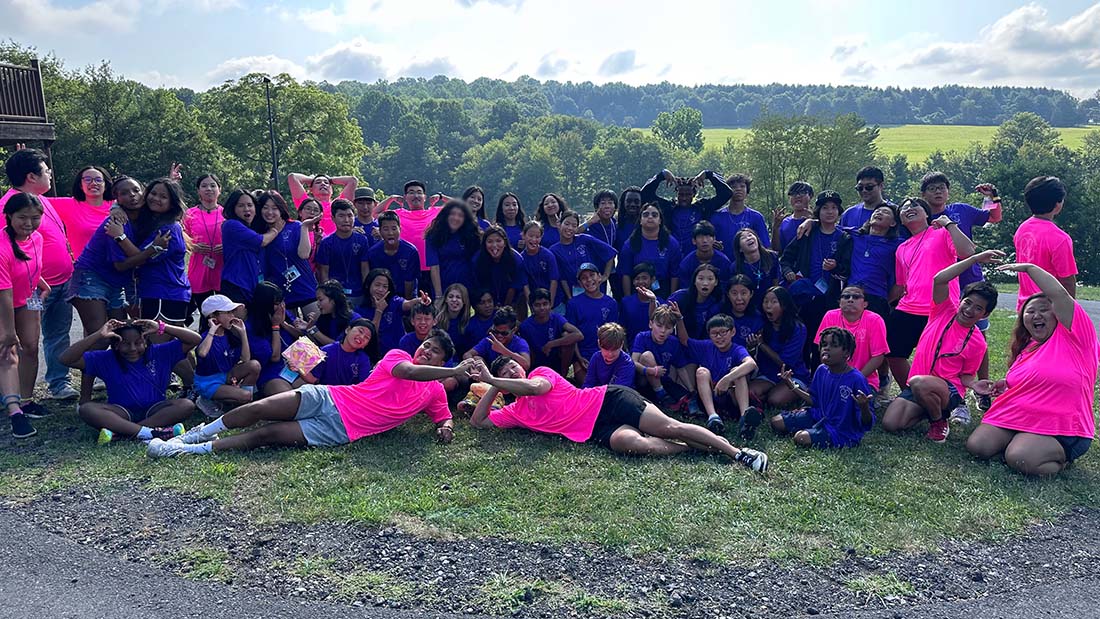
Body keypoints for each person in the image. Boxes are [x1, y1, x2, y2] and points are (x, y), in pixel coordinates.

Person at [149, 331, 474, 457]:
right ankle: (189, 436)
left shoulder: (434, 391)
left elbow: (443, 417)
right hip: (332, 397)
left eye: (434, 352)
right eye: (426, 345)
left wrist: (445, 428)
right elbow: (409, 373)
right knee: (262, 407)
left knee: (268, 434)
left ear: (443, 361)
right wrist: (455, 371)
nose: (426, 352)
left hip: (343, 429)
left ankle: (191, 451)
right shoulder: (397, 357)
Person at [469, 357, 768, 472]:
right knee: (637, 445)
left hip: (606, 401)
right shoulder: (514, 411)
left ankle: (738, 453)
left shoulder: (541, 373)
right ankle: (697, 449)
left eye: (512, 367)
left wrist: (493, 379)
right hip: (592, 430)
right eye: (504, 372)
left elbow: (534, 388)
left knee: (669, 426)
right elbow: (478, 422)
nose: (511, 371)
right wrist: (494, 387)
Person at [966, 262, 1098, 476]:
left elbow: (1059, 294)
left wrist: (1029, 268)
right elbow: (1030, 380)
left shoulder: (1076, 336)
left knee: (1020, 458)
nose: (1036, 315)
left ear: (1058, 315)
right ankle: (1022, 441)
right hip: (1021, 416)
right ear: (1023, 319)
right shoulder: (1027, 348)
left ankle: (1057, 457)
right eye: (1030, 312)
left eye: (1044, 310)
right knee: (978, 446)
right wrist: (1003, 384)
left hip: (1062, 426)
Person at [880, 250, 999, 443]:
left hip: (948, 390)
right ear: (960, 300)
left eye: (978, 308)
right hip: (920, 385)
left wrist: (974, 384)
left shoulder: (977, 341)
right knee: (891, 424)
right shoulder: (943, 310)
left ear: (984, 315)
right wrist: (975, 259)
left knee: (920, 382)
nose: (969, 310)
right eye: (967, 303)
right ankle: (927, 408)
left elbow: (966, 375)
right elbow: (940, 279)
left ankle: (939, 421)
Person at [921, 172, 1002, 410]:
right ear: (923, 194)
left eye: (942, 187)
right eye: (932, 188)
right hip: (942, 286)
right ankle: (941, 388)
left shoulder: (961, 210)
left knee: (979, 338)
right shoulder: (921, 217)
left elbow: (993, 218)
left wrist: (992, 197)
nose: (938, 192)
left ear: (948, 191)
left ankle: (982, 389)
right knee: (943, 339)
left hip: (971, 281)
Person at [2, 148, 77, 400]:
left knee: (54, 334)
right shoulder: (8, 206)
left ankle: (58, 383)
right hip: (26, 290)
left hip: (56, 284)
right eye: (46, 170)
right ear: (31, 177)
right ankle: (12, 394)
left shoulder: (40, 199)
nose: (51, 174)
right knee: (20, 342)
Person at [60, 318, 199, 444]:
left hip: (155, 410)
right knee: (87, 409)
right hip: (121, 412)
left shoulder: (160, 352)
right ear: (115, 345)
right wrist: (98, 335)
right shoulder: (105, 358)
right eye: (125, 344)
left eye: (138, 343)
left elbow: (195, 339)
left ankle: (124, 433)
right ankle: (149, 433)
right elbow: (65, 359)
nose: (133, 349)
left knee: (186, 405)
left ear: (146, 342)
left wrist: (161, 327)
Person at [885, 198, 976, 388]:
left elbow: (968, 251)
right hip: (907, 308)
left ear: (927, 213)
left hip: (940, 309)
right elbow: (902, 284)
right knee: (893, 354)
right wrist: (885, 302)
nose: (909, 209)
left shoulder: (942, 233)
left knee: (940, 361)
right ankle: (911, 394)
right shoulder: (901, 248)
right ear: (900, 219)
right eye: (905, 208)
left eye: (915, 205)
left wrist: (949, 224)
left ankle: (950, 399)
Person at [770, 327, 875, 449]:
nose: (826, 348)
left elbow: (867, 423)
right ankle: (813, 430)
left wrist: (864, 407)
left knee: (801, 438)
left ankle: (814, 433)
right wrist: (792, 386)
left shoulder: (856, 379)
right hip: (819, 416)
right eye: (824, 344)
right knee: (776, 422)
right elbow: (814, 400)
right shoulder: (821, 370)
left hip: (842, 429)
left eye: (834, 345)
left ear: (846, 353)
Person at [0, 193, 50, 426]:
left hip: (27, 299)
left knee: (30, 347)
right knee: (8, 350)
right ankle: (14, 412)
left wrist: (41, 284)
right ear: (9, 216)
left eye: (34, 218)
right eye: (22, 218)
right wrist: (9, 331)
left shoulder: (36, 238)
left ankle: (26, 401)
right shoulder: (2, 246)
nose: (28, 224)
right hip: (4, 302)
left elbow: (30, 266)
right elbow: (5, 294)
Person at [676, 313, 760, 438]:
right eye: (714, 334)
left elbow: (751, 363)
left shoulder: (737, 349)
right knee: (701, 371)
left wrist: (727, 379)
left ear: (732, 332)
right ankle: (713, 417)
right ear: (709, 335)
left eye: (723, 332)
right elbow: (684, 340)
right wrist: (679, 318)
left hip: (732, 395)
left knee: (738, 372)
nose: (719, 337)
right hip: (711, 393)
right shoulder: (706, 346)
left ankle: (744, 419)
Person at [780, 190, 844, 345]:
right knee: (802, 340)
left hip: (830, 298)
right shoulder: (807, 233)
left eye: (834, 208)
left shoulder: (845, 237)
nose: (830, 212)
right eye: (825, 208)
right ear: (818, 211)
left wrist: (835, 267)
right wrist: (788, 271)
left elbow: (847, 267)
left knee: (825, 342)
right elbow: (786, 258)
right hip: (805, 296)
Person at [1013, 176, 1076, 311]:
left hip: (1025, 307)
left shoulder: (1022, 229)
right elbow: (1067, 280)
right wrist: (1070, 311)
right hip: (1049, 309)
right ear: (1057, 205)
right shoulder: (1060, 238)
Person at [254, 191, 320, 316]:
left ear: (281, 209)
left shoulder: (296, 226)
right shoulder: (259, 232)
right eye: (265, 208)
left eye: (274, 208)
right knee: (289, 333)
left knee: (317, 329)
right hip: (279, 292)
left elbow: (304, 254)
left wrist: (305, 227)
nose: (270, 212)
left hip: (304, 286)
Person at [193, 295, 261, 413]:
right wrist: (212, 331)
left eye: (232, 312)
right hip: (208, 383)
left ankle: (239, 400)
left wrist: (243, 333)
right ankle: (207, 399)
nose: (232, 316)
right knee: (245, 396)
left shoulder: (229, 335)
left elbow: (246, 359)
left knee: (254, 365)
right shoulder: (205, 337)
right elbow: (202, 353)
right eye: (228, 312)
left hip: (225, 376)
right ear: (213, 316)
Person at [815, 285, 889, 393]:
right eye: (846, 296)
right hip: (832, 376)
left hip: (864, 378)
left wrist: (854, 379)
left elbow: (878, 357)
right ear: (840, 302)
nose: (850, 299)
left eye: (856, 297)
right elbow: (822, 349)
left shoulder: (875, 320)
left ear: (865, 304)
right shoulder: (830, 316)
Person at [749, 286, 811, 410]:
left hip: (793, 374)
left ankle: (797, 392)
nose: (768, 305)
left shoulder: (798, 328)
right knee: (749, 392)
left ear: (784, 305)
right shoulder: (762, 325)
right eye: (765, 301)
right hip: (768, 375)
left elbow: (785, 364)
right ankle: (767, 393)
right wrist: (751, 347)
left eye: (773, 302)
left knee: (775, 400)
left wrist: (761, 345)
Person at [640, 168, 732, 247]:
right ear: (677, 194)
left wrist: (708, 174)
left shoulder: (702, 208)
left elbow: (726, 193)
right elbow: (645, 194)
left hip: (696, 254)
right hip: (672, 252)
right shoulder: (668, 208)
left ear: (693, 195)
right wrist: (662, 175)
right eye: (681, 194)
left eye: (688, 194)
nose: (684, 198)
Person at [220, 189, 279, 303]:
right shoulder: (231, 225)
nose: (246, 209)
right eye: (241, 206)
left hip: (255, 288)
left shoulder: (254, 228)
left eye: (250, 205)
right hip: (237, 286)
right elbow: (261, 241)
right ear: (233, 208)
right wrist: (275, 231)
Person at [631, 304, 692, 411]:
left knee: (686, 398)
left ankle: (668, 397)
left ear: (672, 329)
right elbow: (633, 362)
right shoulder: (642, 337)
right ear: (651, 324)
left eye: (667, 328)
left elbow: (680, 368)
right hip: (643, 380)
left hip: (663, 379)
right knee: (647, 356)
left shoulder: (674, 342)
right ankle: (661, 395)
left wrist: (691, 390)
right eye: (659, 326)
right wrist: (649, 370)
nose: (663, 331)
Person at [566, 262, 619, 385]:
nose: (589, 280)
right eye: (584, 278)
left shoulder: (610, 303)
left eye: (592, 275)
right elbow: (571, 336)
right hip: (583, 354)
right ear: (580, 283)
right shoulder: (573, 304)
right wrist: (578, 358)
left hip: (606, 352)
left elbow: (614, 334)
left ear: (600, 277)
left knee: (610, 386)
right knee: (587, 387)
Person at [182, 174, 224, 324]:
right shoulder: (190, 214)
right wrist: (192, 245)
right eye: (204, 186)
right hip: (199, 269)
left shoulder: (227, 214)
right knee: (205, 314)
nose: (209, 189)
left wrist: (226, 247)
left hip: (222, 268)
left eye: (213, 185)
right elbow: (181, 236)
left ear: (219, 190)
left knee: (223, 313)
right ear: (198, 191)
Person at [356, 268, 428, 353]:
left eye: (385, 287)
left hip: (398, 352)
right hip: (376, 354)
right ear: (368, 285)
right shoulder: (360, 310)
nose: (380, 289)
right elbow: (371, 334)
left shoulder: (394, 301)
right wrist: (379, 311)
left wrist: (420, 300)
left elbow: (407, 304)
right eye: (377, 285)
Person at [550, 211, 617, 302]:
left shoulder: (584, 239)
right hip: (575, 292)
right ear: (559, 224)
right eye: (567, 224)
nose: (570, 228)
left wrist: (605, 275)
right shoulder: (554, 250)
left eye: (574, 226)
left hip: (594, 289)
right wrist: (570, 298)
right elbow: (562, 277)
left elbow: (610, 253)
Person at [316, 199, 371, 309]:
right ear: (333, 218)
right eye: (341, 216)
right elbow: (324, 273)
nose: (346, 220)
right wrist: (329, 296)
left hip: (358, 293)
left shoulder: (362, 240)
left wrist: (367, 291)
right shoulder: (327, 243)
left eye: (350, 216)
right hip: (336, 295)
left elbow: (365, 269)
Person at [618, 203, 682, 298]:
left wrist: (672, 299)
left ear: (660, 220)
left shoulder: (671, 243)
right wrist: (628, 299)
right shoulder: (630, 244)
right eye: (646, 214)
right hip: (638, 290)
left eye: (654, 215)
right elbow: (625, 274)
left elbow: (675, 275)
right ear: (640, 220)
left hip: (663, 290)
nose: (650, 217)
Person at [53, 165, 115, 263]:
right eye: (87, 179)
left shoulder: (117, 205)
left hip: (118, 266)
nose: (93, 183)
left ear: (105, 184)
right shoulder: (69, 205)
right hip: (86, 270)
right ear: (80, 185)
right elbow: (34, 200)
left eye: (98, 180)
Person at [424, 199, 479, 299]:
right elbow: (434, 267)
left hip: (466, 287)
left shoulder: (471, 235)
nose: (456, 218)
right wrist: (438, 295)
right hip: (442, 287)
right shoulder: (433, 236)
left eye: (460, 215)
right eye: (452, 214)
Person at [519, 288, 582, 373]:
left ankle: (563, 375)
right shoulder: (525, 326)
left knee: (567, 335)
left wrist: (551, 344)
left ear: (550, 304)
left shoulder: (556, 318)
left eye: (545, 304)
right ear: (531, 306)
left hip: (556, 358)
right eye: (537, 305)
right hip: (537, 361)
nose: (542, 308)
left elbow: (579, 335)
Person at [367, 211, 420, 301]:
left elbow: (409, 281)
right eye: (386, 229)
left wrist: (406, 304)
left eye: (394, 229)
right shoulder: (373, 252)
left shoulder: (411, 251)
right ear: (380, 231)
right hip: (382, 296)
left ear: (400, 229)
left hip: (406, 295)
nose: (390, 233)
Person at [712, 173, 771, 251]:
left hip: (748, 262)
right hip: (723, 261)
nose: (738, 189)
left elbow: (765, 246)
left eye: (742, 186)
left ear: (747, 190)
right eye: (733, 187)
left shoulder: (756, 217)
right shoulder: (717, 217)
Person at [286, 172, 357, 235]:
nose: (323, 184)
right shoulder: (306, 203)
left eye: (326, 183)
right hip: (310, 245)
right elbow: (292, 177)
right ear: (311, 190)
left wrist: (330, 179)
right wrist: (312, 179)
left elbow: (352, 180)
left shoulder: (339, 204)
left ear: (331, 190)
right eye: (318, 182)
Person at [474, 224, 526, 309]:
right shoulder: (477, 260)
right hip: (486, 301)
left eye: (498, 241)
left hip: (512, 301)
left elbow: (515, 286)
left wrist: (505, 308)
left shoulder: (516, 259)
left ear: (505, 243)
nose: (494, 245)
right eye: (490, 241)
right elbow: (478, 287)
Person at [464, 305, 531, 370]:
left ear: (514, 330)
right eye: (496, 332)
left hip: (512, 378)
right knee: (477, 359)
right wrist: (476, 366)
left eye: (504, 333)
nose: (499, 336)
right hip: (491, 376)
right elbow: (467, 354)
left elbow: (526, 365)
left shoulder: (519, 343)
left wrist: (503, 350)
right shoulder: (490, 340)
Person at [669, 264, 723, 340]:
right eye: (701, 279)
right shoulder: (679, 297)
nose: (705, 283)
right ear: (694, 281)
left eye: (710, 279)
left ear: (716, 282)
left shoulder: (717, 303)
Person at [730, 228, 781, 307]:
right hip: (749, 306)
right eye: (743, 238)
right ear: (740, 249)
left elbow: (776, 282)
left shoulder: (771, 257)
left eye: (750, 235)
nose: (748, 238)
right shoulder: (736, 267)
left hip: (770, 302)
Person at [677, 220, 732, 287]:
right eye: (700, 237)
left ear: (714, 239)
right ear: (694, 241)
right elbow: (685, 290)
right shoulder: (686, 264)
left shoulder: (724, 262)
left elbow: (727, 289)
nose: (704, 240)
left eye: (708, 236)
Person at [519, 221, 560, 308]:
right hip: (537, 302)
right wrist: (531, 304)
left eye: (537, 237)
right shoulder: (521, 258)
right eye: (530, 236)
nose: (534, 240)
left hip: (555, 301)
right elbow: (525, 285)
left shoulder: (548, 255)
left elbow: (554, 280)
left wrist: (550, 303)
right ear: (523, 235)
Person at [582, 322, 634, 388]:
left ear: (621, 345)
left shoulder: (627, 363)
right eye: (606, 349)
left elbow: (619, 391)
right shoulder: (596, 358)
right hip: (599, 394)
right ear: (599, 343)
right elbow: (588, 384)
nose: (610, 354)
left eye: (614, 350)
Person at [619, 264, 661, 343]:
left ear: (652, 279)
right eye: (637, 279)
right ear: (633, 282)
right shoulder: (626, 302)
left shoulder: (661, 303)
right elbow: (622, 329)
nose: (641, 282)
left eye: (644, 278)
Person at [773, 181, 814, 250]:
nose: (798, 196)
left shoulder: (819, 220)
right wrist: (775, 228)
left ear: (810, 196)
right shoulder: (784, 222)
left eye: (802, 193)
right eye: (793, 194)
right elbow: (777, 250)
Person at [436, 283, 471, 359]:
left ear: (464, 301)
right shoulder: (436, 320)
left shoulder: (468, 322)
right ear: (446, 299)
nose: (454, 300)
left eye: (458, 297)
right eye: (451, 297)